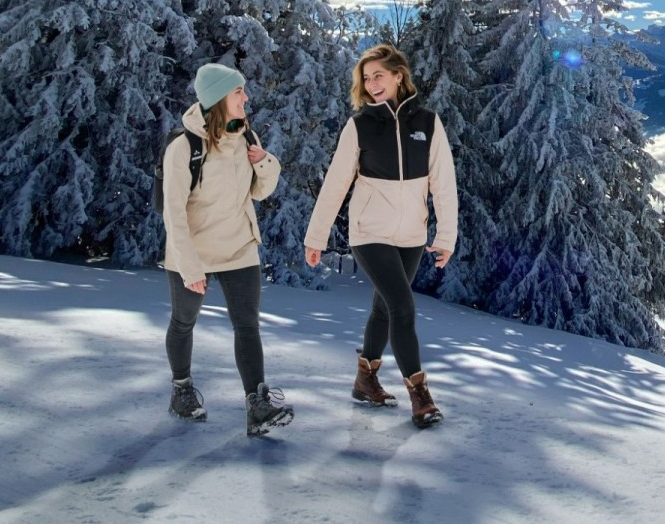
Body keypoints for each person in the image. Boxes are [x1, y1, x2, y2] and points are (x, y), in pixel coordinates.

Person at [305, 43, 458, 428]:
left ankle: (365, 379)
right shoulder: (359, 126)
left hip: (411, 235)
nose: (372, 84)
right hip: (368, 231)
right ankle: (420, 395)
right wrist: (316, 236)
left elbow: (444, 184)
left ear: (398, 76)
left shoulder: (427, 122)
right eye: (366, 78)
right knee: (402, 308)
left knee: (382, 308)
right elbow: (336, 184)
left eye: (378, 76)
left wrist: (446, 235)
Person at [163, 63, 295, 437]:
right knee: (183, 322)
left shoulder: (245, 137)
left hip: (239, 246)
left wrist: (266, 163)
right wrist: (190, 267)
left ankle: (258, 406)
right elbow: (174, 213)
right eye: (239, 92)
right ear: (219, 97)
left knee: (248, 325)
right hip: (194, 251)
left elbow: (257, 192)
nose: (246, 98)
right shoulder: (183, 146)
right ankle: (182, 390)